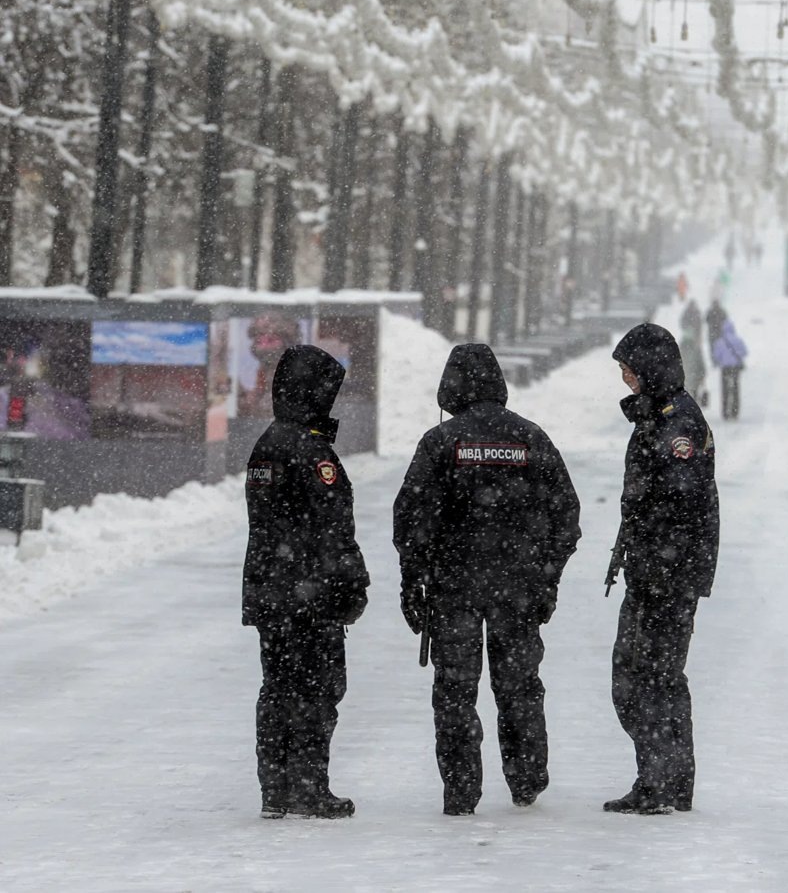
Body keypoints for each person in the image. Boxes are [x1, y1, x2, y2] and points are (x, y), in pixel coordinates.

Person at [393, 343, 581, 816]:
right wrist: (546, 577)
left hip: (452, 589)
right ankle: (526, 779)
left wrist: (413, 581)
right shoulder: (531, 438)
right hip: (517, 589)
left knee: (455, 691)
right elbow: (566, 516)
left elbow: (410, 520)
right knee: (519, 686)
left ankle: (461, 789)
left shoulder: (440, 442)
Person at [242, 344, 371, 819]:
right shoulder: (310, 451)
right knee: (316, 690)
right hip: (308, 594)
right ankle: (309, 786)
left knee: (277, 688)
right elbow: (332, 526)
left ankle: (275, 788)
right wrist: (350, 584)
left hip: (273, 589)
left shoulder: (268, 443)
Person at [606, 324, 719, 815]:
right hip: (657, 570)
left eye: (629, 368)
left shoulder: (677, 425)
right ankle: (667, 780)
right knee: (652, 675)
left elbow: (682, 500)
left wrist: (657, 561)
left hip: (665, 576)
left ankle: (660, 781)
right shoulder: (659, 416)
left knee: (646, 676)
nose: (625, 377)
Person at [711, 316, 748, 421]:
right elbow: (745, 352)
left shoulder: (719, 342)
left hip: (725, 369)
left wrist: (722, 360)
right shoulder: (738, 340)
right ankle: (735, 412)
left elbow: (716, 356)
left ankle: (725, 413)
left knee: (725, 390)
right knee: (735, 389)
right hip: (735, 368)